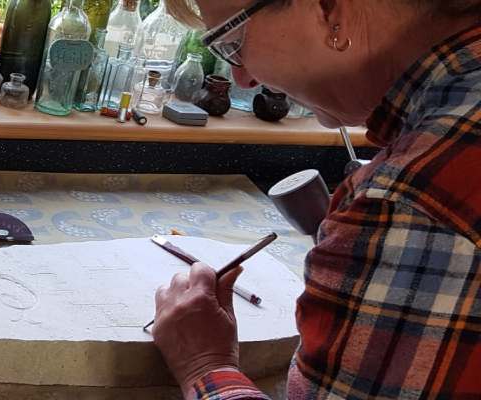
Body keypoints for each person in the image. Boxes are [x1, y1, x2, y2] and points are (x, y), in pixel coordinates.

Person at [151, 0, 481, 398]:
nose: (243, 79)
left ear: (328, 9)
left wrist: (204, 364)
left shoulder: (406, 199)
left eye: (234, 43)